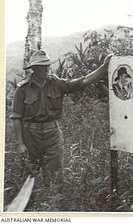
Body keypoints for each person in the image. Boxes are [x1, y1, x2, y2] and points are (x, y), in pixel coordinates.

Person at [10, 50, 112, 186]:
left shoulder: (57, 84)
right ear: (34, 69)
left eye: (47, 65)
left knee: (55, 177)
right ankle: (30, 204)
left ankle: (54, 204)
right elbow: (17, 116)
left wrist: (104, 67)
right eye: (42, 66)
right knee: (28, 177)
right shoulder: (22, 89)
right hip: (30, 136)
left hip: (53, 135)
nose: (46, 69)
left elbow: (83, 81)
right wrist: (20, 143)